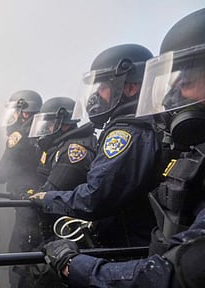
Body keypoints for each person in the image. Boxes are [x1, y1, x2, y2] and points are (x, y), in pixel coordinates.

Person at [42, 8, 205, 287]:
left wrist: (73, 264)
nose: (174, 96)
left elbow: (178, 273)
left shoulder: (128, 132)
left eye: (186, 83)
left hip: (131, 253)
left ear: (128, 87)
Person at [30, 44, 163, 249]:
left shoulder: (127, 133)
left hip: (127, 249)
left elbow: (97, 197)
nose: (96, 96)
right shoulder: (145, 125)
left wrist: (49, 198)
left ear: (130, 87)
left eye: (102, 87)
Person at [18, 97, 97, 288]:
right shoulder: (61, 146)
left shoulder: (73, 151)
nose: (44, 129)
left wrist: (30, 196)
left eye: (49, 123)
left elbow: (52, 191)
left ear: (62, 123)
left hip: (65, 236)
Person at [0, 89, 43, 288]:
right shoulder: (41, 133)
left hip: (25, 203)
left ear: (25, 112)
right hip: (36, 200)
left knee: (18, 253)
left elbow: (5, 167)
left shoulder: (19, 136)